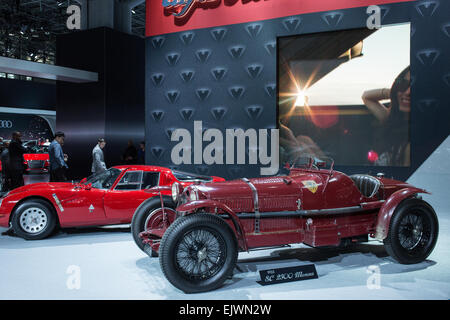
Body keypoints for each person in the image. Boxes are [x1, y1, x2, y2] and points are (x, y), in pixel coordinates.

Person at [362, 66, 411, 166]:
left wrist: (400, 93)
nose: (408, 92)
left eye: (416, 87)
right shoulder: (392, 119)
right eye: (403, 85)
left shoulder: (412, 144)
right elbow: (366, 96)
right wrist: (395, 92)